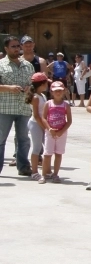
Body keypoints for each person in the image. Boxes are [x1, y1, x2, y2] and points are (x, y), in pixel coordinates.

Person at [0, 36, 34, 177]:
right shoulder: (1, 65)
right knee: (1, 139)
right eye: (13, 46)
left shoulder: (28, 65)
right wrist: (8, 88)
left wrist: (30, 88)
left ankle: (23, 167)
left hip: (23, 108)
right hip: (5, 108)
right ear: (6, 48)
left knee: (23, 139)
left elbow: (34, 85)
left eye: (17, 46)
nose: (16, 49)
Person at [39, 81, 72, 184]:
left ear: (64, 91)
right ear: (51, 92)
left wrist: (62, 131)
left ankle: (55, 174)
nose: (58, 93)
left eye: (60, 91)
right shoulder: (48, 104)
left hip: (61, 133)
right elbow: (44, 118)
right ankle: (43, 175)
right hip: (50, 133)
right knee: (47, 154)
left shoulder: (66, 105)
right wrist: (49, 129)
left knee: (58, 153)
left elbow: (69, 121)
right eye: (56, 91)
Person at [25, 72, 49, 182]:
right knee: (37, 148)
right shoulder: (35, 97)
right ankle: (34, 172)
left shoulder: (42, 95)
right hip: (35, 124)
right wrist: (44, 127)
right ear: (41, 84)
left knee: (47, 148)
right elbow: (36, 115)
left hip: (42, 123)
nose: (47, 85)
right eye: (46, 83)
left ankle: (47, 170)